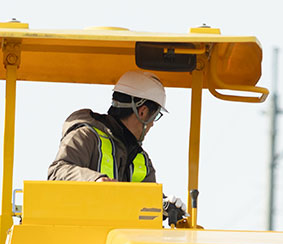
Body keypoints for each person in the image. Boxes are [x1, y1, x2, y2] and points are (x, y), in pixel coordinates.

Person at [48, 70, 185, 221]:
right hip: (79, 233)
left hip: (121, 240)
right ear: (142, 112)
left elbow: (145, 201)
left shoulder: (141, 161)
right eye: (155, 116)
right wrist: (95, 180)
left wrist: (164, 204)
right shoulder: (87, 136)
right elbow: (57, 172)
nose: (152, 124)